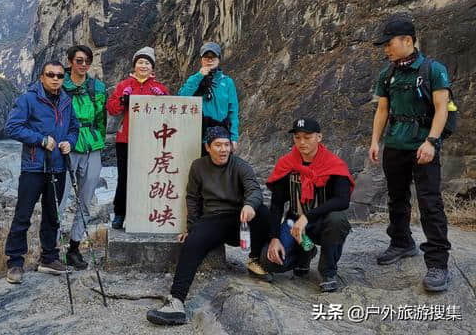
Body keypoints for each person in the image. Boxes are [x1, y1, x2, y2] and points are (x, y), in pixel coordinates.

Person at [146, 126, 271, 326]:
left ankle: (254, 257)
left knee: (263, 211)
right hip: (212, 219)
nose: (223, 149)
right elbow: (193, 198)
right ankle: (176, 302)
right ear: (208, 147)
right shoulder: (198, 166)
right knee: (192, 243)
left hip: (239, 219)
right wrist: (190, 228)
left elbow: (254, 190)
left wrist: (249, 205)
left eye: (227, 145)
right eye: (218, 145)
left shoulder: (241, 166)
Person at [369, 19, 452, 292]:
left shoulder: (433, 70)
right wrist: (375, 142)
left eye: (389, 44)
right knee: (396, 197)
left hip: (424, 146)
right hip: (395, 144)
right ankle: (402, 243)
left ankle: (438, 264)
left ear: (407, 40)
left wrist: (431, 141)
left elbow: (441, 108)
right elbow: (383, 110)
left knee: (429, 203)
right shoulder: (387, 74)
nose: (386, 50)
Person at [3, 60, 79, 284]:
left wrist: (70, 143)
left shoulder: (66, 100)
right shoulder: (28, 99)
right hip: (34, 166)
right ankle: (15, 262)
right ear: (42, 77)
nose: (56, 79)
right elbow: (12, 127)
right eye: (51, 75)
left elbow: (74, 128)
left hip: (58, 165)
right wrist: (41, 140)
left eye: (59, 75)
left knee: (52, 215)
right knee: (23, 214)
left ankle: (49, 258)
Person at [263, 118, 355, 292]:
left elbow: (343, 200)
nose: (302, 142)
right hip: (293, 224)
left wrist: (308, 216)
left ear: (319, 137)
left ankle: (328, 271)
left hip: (321, 223)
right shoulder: (287, 164)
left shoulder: (333, 164)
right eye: (297, 137)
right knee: (269, 262)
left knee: (338, 220)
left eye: (307, 137)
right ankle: (304, 253)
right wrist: (274, 238)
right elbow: (276, 205)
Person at [106, 47, 169, 229]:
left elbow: (168, 112)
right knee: (124, 178)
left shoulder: (159, 88)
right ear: (134, 65)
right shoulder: (124, 85)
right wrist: (122, 100)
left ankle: (145, 213)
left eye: (147, 62)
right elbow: (111, 108)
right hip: (126, 139)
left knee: (149, 177)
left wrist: (163, 98)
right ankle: (120, 213)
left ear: (152, 67)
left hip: (151, 140)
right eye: (140, 62)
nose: (143, 65)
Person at [59, 45, 107, 270]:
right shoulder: (59, 85)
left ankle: (74, 247)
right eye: (79, 60)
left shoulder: (97, 87)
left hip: (92, 146)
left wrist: (98, 137)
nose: (83, 64)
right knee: (59, 200)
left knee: (86, 199)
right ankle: (50, 249)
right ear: (70, 62)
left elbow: (101, 117)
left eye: (87, 60)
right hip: (67, 148)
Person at [178, 42, 239, 153]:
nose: (210, 59)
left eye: (213, 56)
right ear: (201, 60)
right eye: (206, 57)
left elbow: (233, 112)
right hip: (197, 136)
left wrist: (234, 138)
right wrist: (199, 76)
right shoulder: (194, 79)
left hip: (221, 136)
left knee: (220, 169)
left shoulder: (227, 82)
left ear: (219, 59)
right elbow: (181, 98)